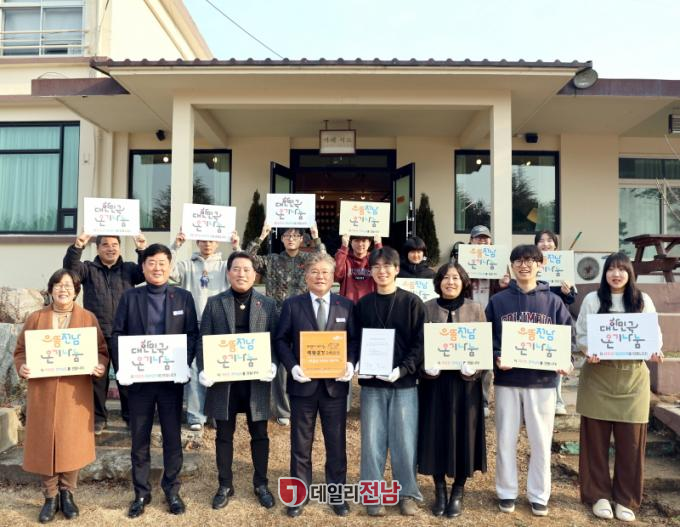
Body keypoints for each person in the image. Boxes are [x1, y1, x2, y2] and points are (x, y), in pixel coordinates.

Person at [485, 244, 573, 517]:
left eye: (529, 260)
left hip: (542, 382)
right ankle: (506, 491)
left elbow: (566, 336)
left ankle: (539, 494)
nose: (524, 265)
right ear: (511, 266)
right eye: (518, 261)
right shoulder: (498, 301)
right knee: (505, 439)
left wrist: (565, 360)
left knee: (541, 441)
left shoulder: (553, 301)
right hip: (508, 380)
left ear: (540, 264)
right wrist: (496, 356)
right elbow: (487, 337)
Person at [14, 269, 108, 523]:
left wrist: (100, 366)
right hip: (43, 391)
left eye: (68, 285)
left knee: (71, 441)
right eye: (58, 285)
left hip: (74, 391)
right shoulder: (36, 318)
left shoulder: (87, 318)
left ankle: (67, 493)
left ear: (76, 290)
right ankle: (50, 496)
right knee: (45, 442)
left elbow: (101, 351)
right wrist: (22, 367)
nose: (63, 289)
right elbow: (21, 351)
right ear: (51, 289)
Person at [112, 244, 199, 518]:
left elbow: (192, 334)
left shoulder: (183, 297)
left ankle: (172, 490)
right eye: (151, 262)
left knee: (172, 437)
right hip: (139, 382)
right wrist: (122, 368)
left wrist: (185, 364)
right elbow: (117, 333)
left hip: (171, 382)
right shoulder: (130, 297)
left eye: (162, 262)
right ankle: (141, 492)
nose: (157, 267)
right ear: (144, 266)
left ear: (170, 267)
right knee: (139, 438)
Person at [575, 252, 663, 523]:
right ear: (604, 274)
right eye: (611, 269)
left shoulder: (642, 300)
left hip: (633, 379)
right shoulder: (592, 300)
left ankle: (626, 499)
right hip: (598, 377)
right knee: (595, 442)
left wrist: (654, 350)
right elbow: (582, 335)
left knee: (632, 443)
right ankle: (598, 496)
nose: (616, 274)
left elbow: (653, 334)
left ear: (630, 273)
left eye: (622, 269)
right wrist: (588, 351)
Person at [274, 253, 359, 518]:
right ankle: (299, 495)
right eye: (314, 272)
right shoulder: (292, 305)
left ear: (333, 277)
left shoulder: (346, 305)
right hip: (303, 386)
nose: (320, 277)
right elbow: (281, 340)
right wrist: (292, 367)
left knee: (336, 443)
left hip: (335, 387)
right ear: (306, 276)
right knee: (300, 444)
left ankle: (336, 494)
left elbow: (354, 340)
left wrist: (350, 363)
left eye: (325, 272)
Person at [196, 251, 278, 511]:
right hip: (224, 383)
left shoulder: (267, 304)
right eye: (236, 269)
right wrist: (203, 369)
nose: (241, 274)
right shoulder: (215, 303)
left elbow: (276, 340)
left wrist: (273, 364)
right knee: (224, 435)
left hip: (256, 382)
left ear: (255, 275)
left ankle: (261, 484)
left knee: (260, 434)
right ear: (228, 272)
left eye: (247, 269)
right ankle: (225, 484)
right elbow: (203, 340)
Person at [356, 246, 425, 517]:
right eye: (376, 267)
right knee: (371, 441)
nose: (381, 271)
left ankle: (407, 493)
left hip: (403, 384)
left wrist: (404, 369)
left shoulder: (412, 303)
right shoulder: (363, 305)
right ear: (370, 271)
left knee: (404, 441)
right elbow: (355, 339)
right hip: (373, 384)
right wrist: (357, 362)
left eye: (387, 266)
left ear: (397, 269)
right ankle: (372, 494)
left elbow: (420, 344)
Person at [418, 261, 487, 518]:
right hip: (434, 385)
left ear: (463, 281)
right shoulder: (427, 308)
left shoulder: (475, 309)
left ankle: (458, 490)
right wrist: (425, 367)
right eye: (446, 278)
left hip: (465, 386)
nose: (450, 282)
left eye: (456, 278)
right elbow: (418, 344)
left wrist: (476, 370)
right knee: (435, 434)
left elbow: (484, 348)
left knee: (464, 436)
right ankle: (439, 490)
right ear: (438, 282)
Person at [63, 231, 147, 431]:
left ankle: (130, 416)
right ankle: (99, 418)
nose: (111, 248)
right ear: (98, 248)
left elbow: (146, 270)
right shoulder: (88, 269)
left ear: (120, 247)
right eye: (106, 245)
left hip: (125, 332)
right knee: (97, 378)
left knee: (127, 377)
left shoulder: (129, 269)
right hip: (96, 332)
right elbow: (70, 269)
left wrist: (142, 249)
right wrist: (78, 246)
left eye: (114, 245)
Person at [246, 222, 326, 427]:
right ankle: (283, 409)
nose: (291, 239)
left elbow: (325, 261)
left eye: (295, 235)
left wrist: (316, 237)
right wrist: (261, 236)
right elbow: (248, 259)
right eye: (287, 235)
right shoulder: (273, 259)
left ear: (301, 239)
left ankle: (305, 403)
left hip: (302, 316)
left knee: (303, 359)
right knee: (280, 365)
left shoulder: (307, 260)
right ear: (281, 239)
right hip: (276, 316)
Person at [170, 229, 241, 431]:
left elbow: (242, 269)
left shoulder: (225, 266)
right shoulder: (187, 265)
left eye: (211, 240)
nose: (207, 244)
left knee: (219, 366)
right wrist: (176, 245)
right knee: (194, 367)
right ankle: (196, 415)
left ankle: (217, 413)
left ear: (217, 243)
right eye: (203, 240)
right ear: (197, 242)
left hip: (219, 321)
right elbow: (168, 269)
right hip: (193, 323)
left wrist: (236, 246)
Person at [467, 225, 509, 418]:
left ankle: (483, 400)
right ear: (471, 241)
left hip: (491, 318)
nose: (482, 241)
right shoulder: (463, 262)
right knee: (468, 358)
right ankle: (468, 399)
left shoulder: (499, 263)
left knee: (488, 363)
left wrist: (502, 285)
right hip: (469, 316)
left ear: (491, 242)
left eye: (486, 238)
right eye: (478, 238)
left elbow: (505, 294)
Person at [535, 229, 577, 415]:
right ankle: (539, 400)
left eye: (549, 240)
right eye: (541, 241)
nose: (545, 244)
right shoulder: (532, 266)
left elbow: (571, 299)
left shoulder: (563, 265)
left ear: (556, 245)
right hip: (537, 318)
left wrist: (568, 291)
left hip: (558, 319)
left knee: (557, 358)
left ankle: (558, 401)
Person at [334, 234, 382, 303]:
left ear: (369, 243)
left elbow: (382, 272)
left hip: (370, 305)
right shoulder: (344, 258)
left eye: (364, 241)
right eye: (356, 240)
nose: (360, 244)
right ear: (350, 242)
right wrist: (344, 247)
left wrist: (378, 246)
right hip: (347, 306)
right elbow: (336, 276)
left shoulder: (374, 259)